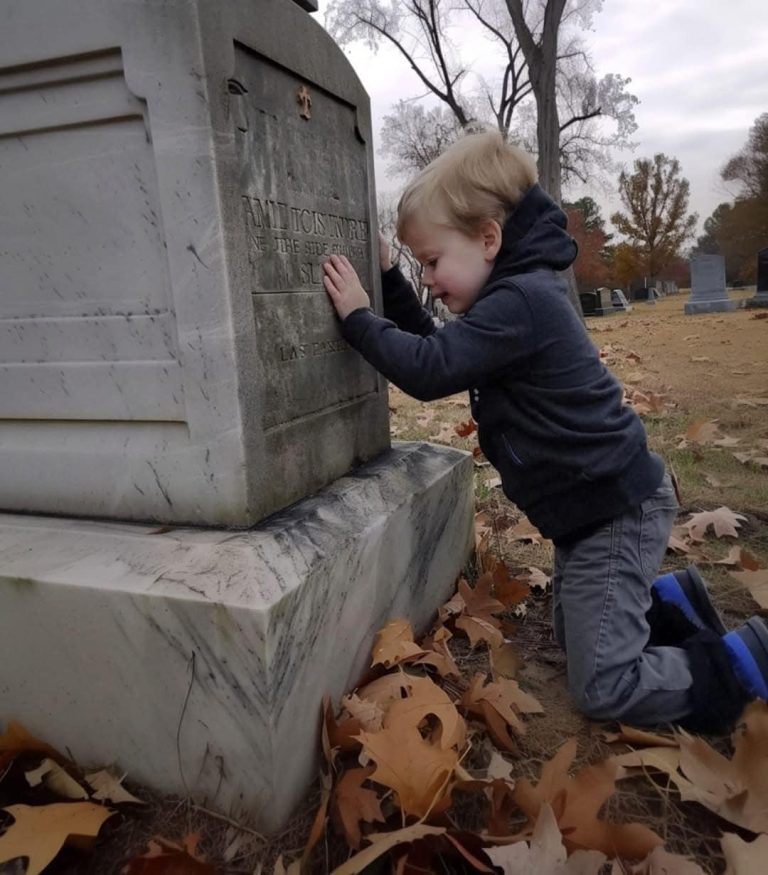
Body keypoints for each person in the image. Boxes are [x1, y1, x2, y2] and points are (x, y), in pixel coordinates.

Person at [322, 130, 767, 732]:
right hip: (585, 513)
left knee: (604, 686)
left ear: (488, 238)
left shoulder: (521, 303)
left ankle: (741, 665)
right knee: (570, 630)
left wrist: (358, 316)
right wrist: (392, 283)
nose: (426, 278)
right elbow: (436, 344)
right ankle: (673, 607)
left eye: (430, 262)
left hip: (612, 509)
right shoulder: (505, 298)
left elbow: (429, 369)